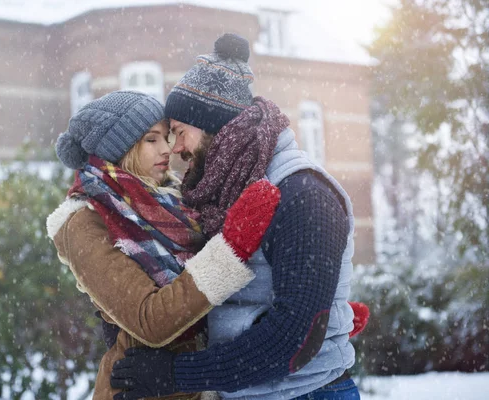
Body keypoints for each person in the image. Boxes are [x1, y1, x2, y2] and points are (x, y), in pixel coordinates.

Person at [111, 34, 365, 400]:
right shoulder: (229, 192)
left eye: (180, 132)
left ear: (215, 122)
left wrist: (177, 375)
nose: (175, 148)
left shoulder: (304, 193)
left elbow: (294, 338)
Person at [46, 90, 281, 400]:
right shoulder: (86, 221)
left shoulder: (173, 202)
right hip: (140, 390)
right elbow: (150, 319)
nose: (167, 149)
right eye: (151, 139)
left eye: (168, 136)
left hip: (191, 386)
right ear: (121, 149)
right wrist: (229, 251)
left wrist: (307, 314)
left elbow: (206, 301)